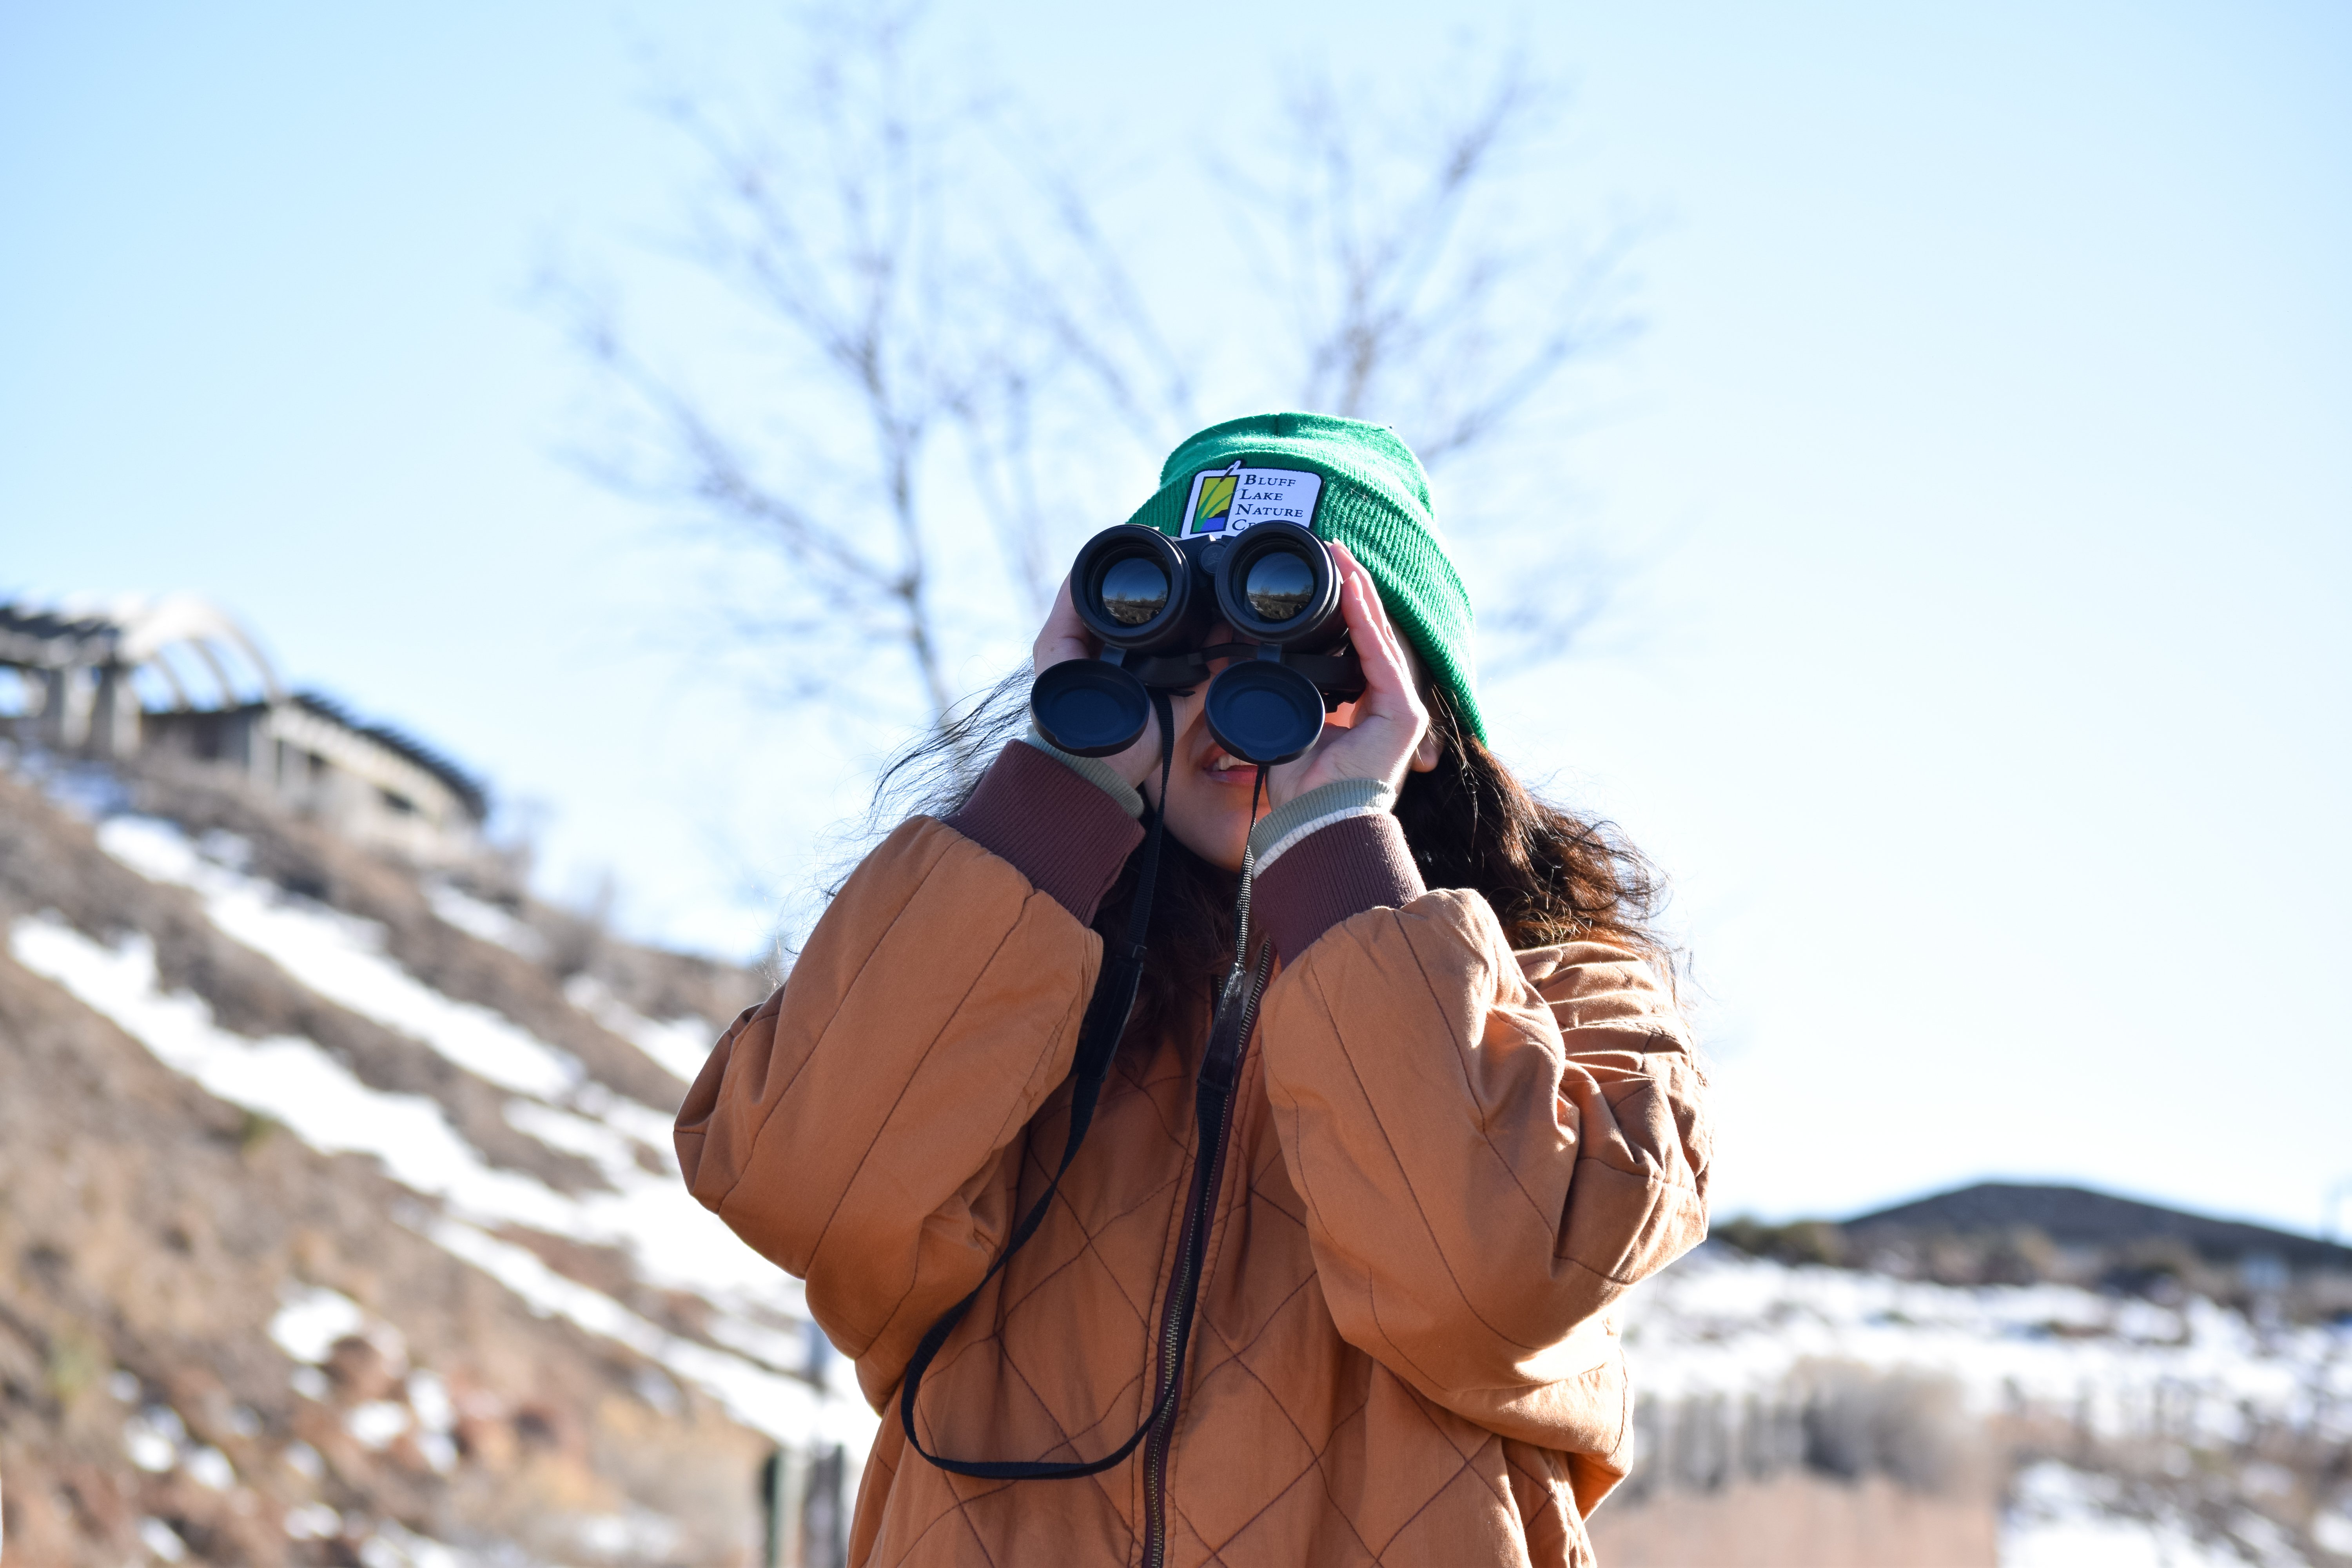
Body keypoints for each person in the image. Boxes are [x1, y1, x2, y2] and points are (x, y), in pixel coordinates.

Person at [677, 413, 1713, 1567]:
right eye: (1183, 644)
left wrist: (1335, 846)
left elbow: (1491, 1277)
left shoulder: (1572, 995)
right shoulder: (1007, 969)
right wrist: (1058, 790)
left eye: (1296, 644)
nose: (1226, 701)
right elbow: (798, 1186)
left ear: (1423, 720)